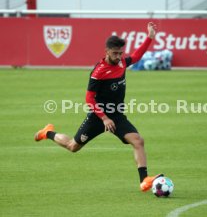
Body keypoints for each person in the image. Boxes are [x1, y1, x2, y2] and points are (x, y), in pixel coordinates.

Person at [34, 22, 162, 192]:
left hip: (116, 116)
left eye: (120, 53)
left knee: (138, 141)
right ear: (107, 51)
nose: (118, 56)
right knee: (73, 146)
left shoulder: (122, 63)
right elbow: (89, 98)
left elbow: (137, 56)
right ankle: (47, 133)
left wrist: (150, 37)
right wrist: (104, 118)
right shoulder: (98, 72)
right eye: (115, 53)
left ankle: (144, 180)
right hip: (98, 117)